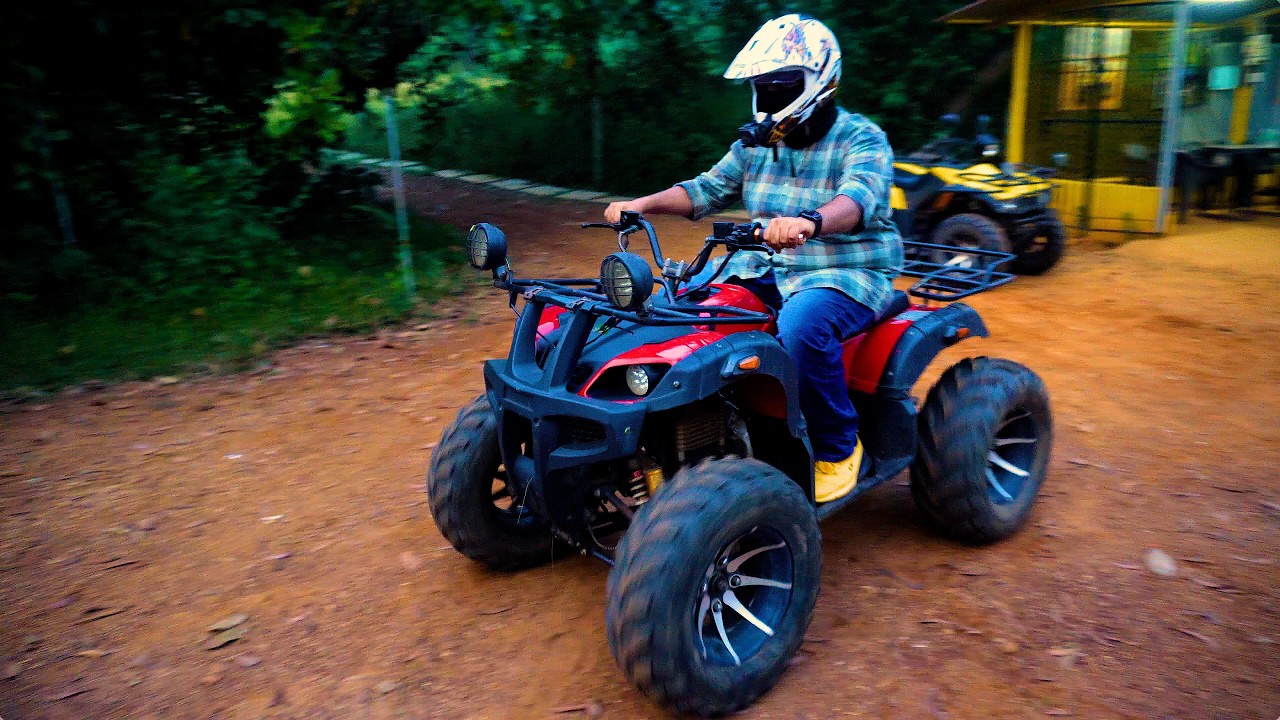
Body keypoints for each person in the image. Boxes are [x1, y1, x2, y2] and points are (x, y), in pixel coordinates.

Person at [603, 13, 903, 503]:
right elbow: (705, 189)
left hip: (847, 269)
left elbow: (857, 199)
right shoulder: (756, 145)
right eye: (762, 86)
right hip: (766, 267)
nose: (768, 96)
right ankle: (686, 439)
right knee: (690, 314)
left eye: (780, 84)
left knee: (804, 329)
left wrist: (810, 222)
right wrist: (643, 204)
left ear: (819, 82)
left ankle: (837, 447)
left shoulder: (861, 138)